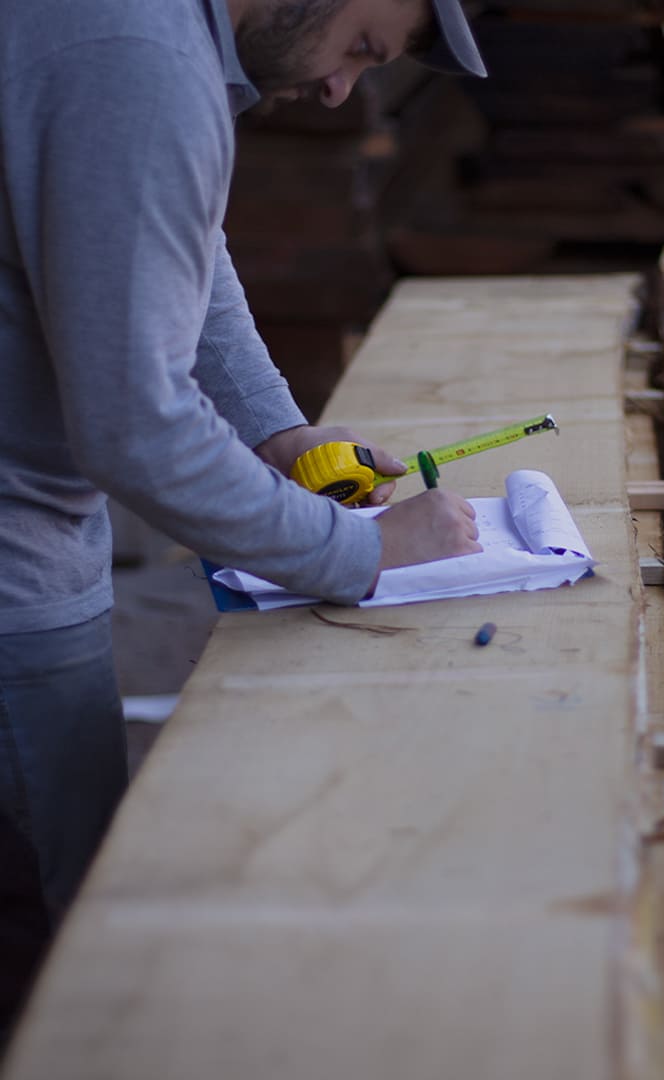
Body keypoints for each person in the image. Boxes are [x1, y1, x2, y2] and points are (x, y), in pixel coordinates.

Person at [0, 0, 486, 1038]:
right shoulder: (138, 62)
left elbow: (176, 250)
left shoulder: (138, 28)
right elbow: (135, 430)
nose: (339, 90)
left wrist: (278, 434)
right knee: (71, 973)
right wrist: (359, 552)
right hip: (10, 575)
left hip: (31, 541)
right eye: (362, 47)